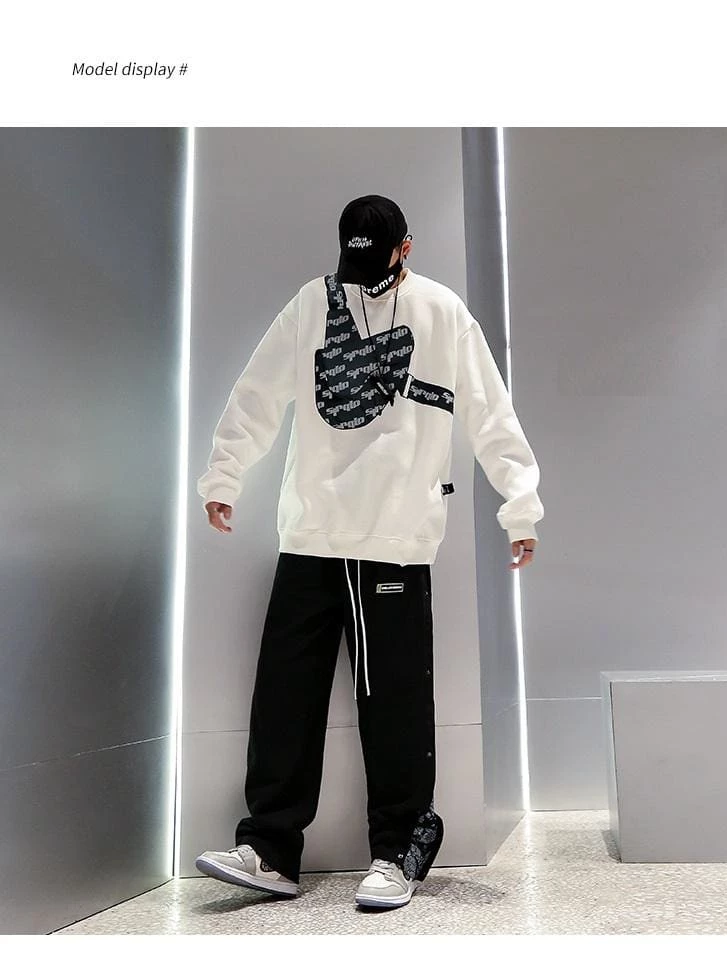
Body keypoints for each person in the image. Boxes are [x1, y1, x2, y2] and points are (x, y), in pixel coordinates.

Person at [194, 194, 543, 910]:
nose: (362, 276)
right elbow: (257, 392)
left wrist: (521, 505)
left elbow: (490, 411)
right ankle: (269, 851)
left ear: (404, 249)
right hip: (311, 532)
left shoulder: (442, 313)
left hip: (395, 539)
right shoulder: (312, 302)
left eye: (375, 261)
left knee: (395, 704)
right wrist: (223, 475)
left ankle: (398, 850)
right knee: (285, 694)